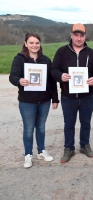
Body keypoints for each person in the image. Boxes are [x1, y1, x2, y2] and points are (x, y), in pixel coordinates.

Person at [51, 23, 93, 163]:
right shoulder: (62, 52)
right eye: (76, 35)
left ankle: (84, 146)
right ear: (71, 35)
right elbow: (53, 70)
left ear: (85, 36)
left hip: (87, 96)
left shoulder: (91, 53)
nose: (79, 38)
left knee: (86, 122)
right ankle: (69, 148)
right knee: (69, 123)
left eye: (81, 35)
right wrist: (60, 76)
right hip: (68, 97)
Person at [9, 33, 59, 168]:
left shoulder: (46, 60)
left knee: (41, 127)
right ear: (26, 44)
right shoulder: (19, 59)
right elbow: (12, 76)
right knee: (29, 128)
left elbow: (52, 81)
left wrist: (55, 99)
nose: (34, 45)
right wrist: (19, 80)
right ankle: (28, 155)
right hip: (27, 101)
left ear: (40, 44)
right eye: (31, 43)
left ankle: (41, 151)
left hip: (44, 101)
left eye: (37, 43)